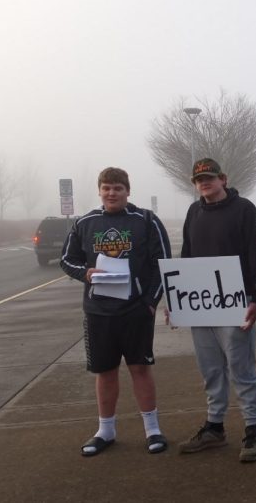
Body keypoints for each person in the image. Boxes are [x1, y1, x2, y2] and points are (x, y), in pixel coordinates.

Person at [60, 167, 171, 457]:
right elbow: (66, 260)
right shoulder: (85, 223)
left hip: (136, 311)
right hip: (99, 313)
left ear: (128, 191)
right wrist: (85, 273)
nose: (112, 193)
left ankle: (152, 430)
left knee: (140, 369)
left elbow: (164, 264)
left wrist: (150, 302)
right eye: (107, 188)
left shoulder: (145, 220)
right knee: (105, 372)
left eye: (118, 188)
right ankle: (105, 431)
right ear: (100, 190)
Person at [174, 158, 256, 462]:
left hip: (236, 304)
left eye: (209, 178)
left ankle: (253, 431)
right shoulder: (194, 211)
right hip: (201, 306)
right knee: (210, 369)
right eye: (198, 179)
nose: (204, 183)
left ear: (223, 179)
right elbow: (187, 255)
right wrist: (178, 300)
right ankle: (214, 427)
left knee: (242, 370)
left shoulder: (245, 210)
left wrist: (255, 299)